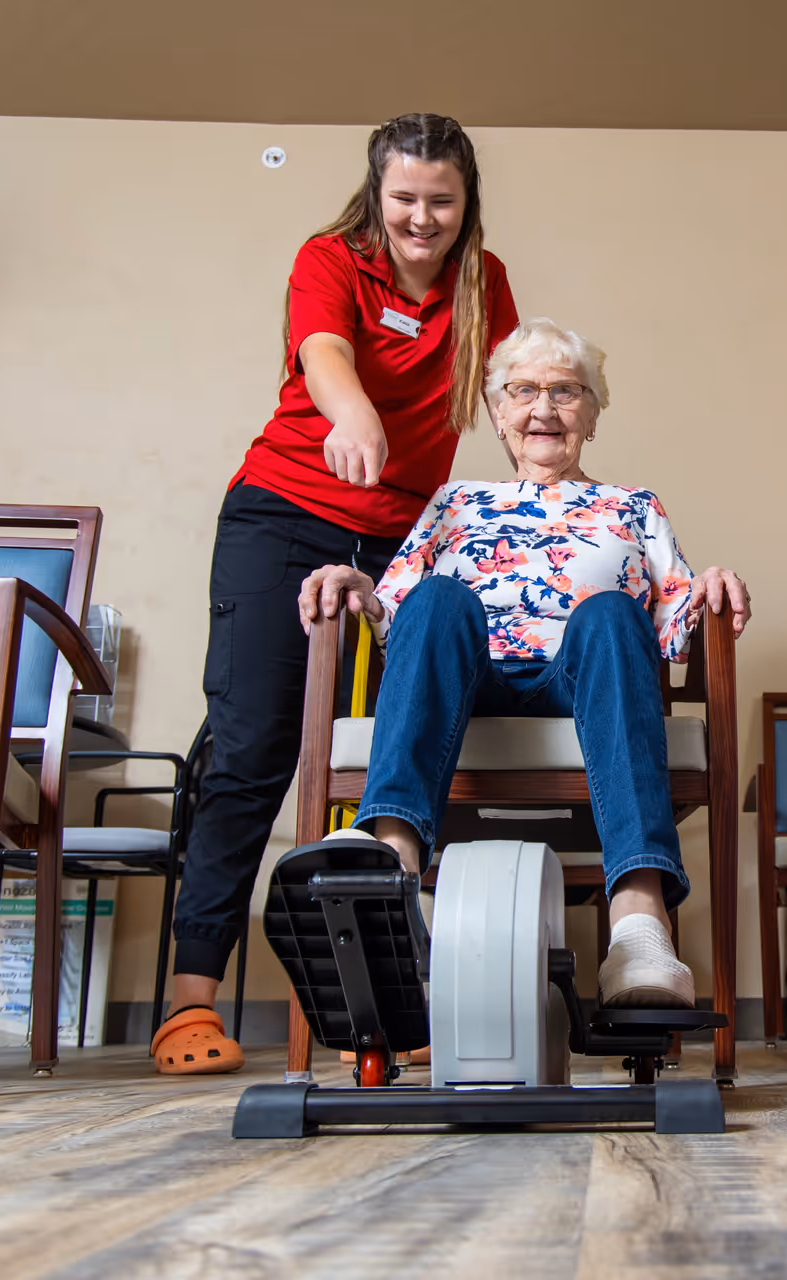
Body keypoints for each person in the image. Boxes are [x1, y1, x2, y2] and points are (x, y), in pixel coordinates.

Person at [154, 114, 519, 1076]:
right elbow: (325, 357)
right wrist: (353, 412)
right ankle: (190, 1002)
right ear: (377, 193)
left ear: (465, 201)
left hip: (405, 533)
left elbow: (508, 391)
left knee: (409, 743)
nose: (422, 219)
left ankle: (392, 1000)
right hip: (286, 515)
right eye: (405, 199)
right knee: (253, 747)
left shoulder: (484, 283)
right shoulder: (331, 258)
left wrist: (546, 471)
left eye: (442, 201)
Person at [299, 318, 751, 1007]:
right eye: (524, 390)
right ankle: (390, 872)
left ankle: (638, 925)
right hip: (470, 679)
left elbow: (673, 617)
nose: (544, 408)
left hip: (583, 681)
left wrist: (711, 584)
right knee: (440, 597)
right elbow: (397, 612)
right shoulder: (455, 502)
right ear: (498, 412)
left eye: (566, 392)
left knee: (608, 611)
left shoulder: (633, 507)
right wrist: (356, 586)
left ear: (592, 416)